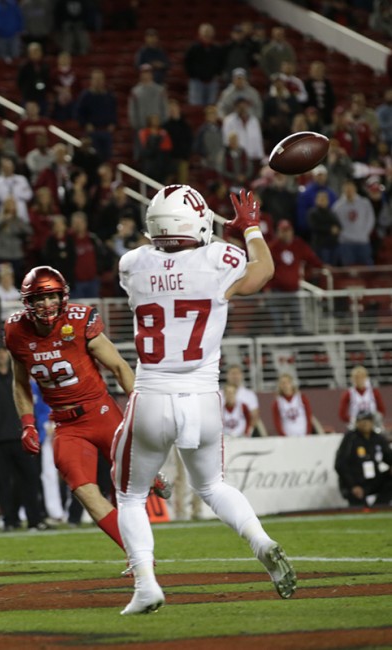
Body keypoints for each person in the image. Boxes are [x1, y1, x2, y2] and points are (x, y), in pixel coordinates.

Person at [113, 185, 296, 614]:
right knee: (213, 486)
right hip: (203, 395)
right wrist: (250, 227)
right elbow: (263, 271)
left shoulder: (132, 265)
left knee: (131, 496)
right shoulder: (221, 260)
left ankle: (146, 584)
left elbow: (165, 265)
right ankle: (260, 541)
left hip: (153, 393)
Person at [5, 266, 171, 555]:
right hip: (66, 425)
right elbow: (20, 382)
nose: (47, 305)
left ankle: (148, 473)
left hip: (101, 412)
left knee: (129, 487)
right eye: (39, 299)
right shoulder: (16, 331)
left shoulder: (80, 320)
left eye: (53, 297)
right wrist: (28, 423)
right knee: (85, 492)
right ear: (28, 303)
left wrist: (140, 407)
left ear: (63, 296)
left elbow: (118, 366)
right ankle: (139, 555)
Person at [0, 347, 46, 531]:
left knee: (30, 478)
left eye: (3, 351)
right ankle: (10, 520)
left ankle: (34, 520)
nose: (1, 355)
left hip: (20, 433)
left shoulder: (19, 376)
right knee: (3, 481)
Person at [334, 410, 392, 507]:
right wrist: (353, 486)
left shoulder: (378, 438)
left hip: (373, 480)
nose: (365, 423)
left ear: (372, 422)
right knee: (359, 508)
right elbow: (340, 464)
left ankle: (380, 506)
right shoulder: (350, 438)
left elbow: (388, 456)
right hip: (355, 482)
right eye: (362, 420)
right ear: (356, 423)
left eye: (368, 420)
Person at [338, 365, 386, 430]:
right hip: (356, 425)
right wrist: (353, 420)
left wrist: (375, 419)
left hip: (372, 424)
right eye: (357, 377)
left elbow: (382, 410)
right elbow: (342, 414)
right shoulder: (348, 393)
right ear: (352, 379)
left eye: (362, 377)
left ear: (366, 378)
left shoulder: (374, 392)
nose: (359, 380)